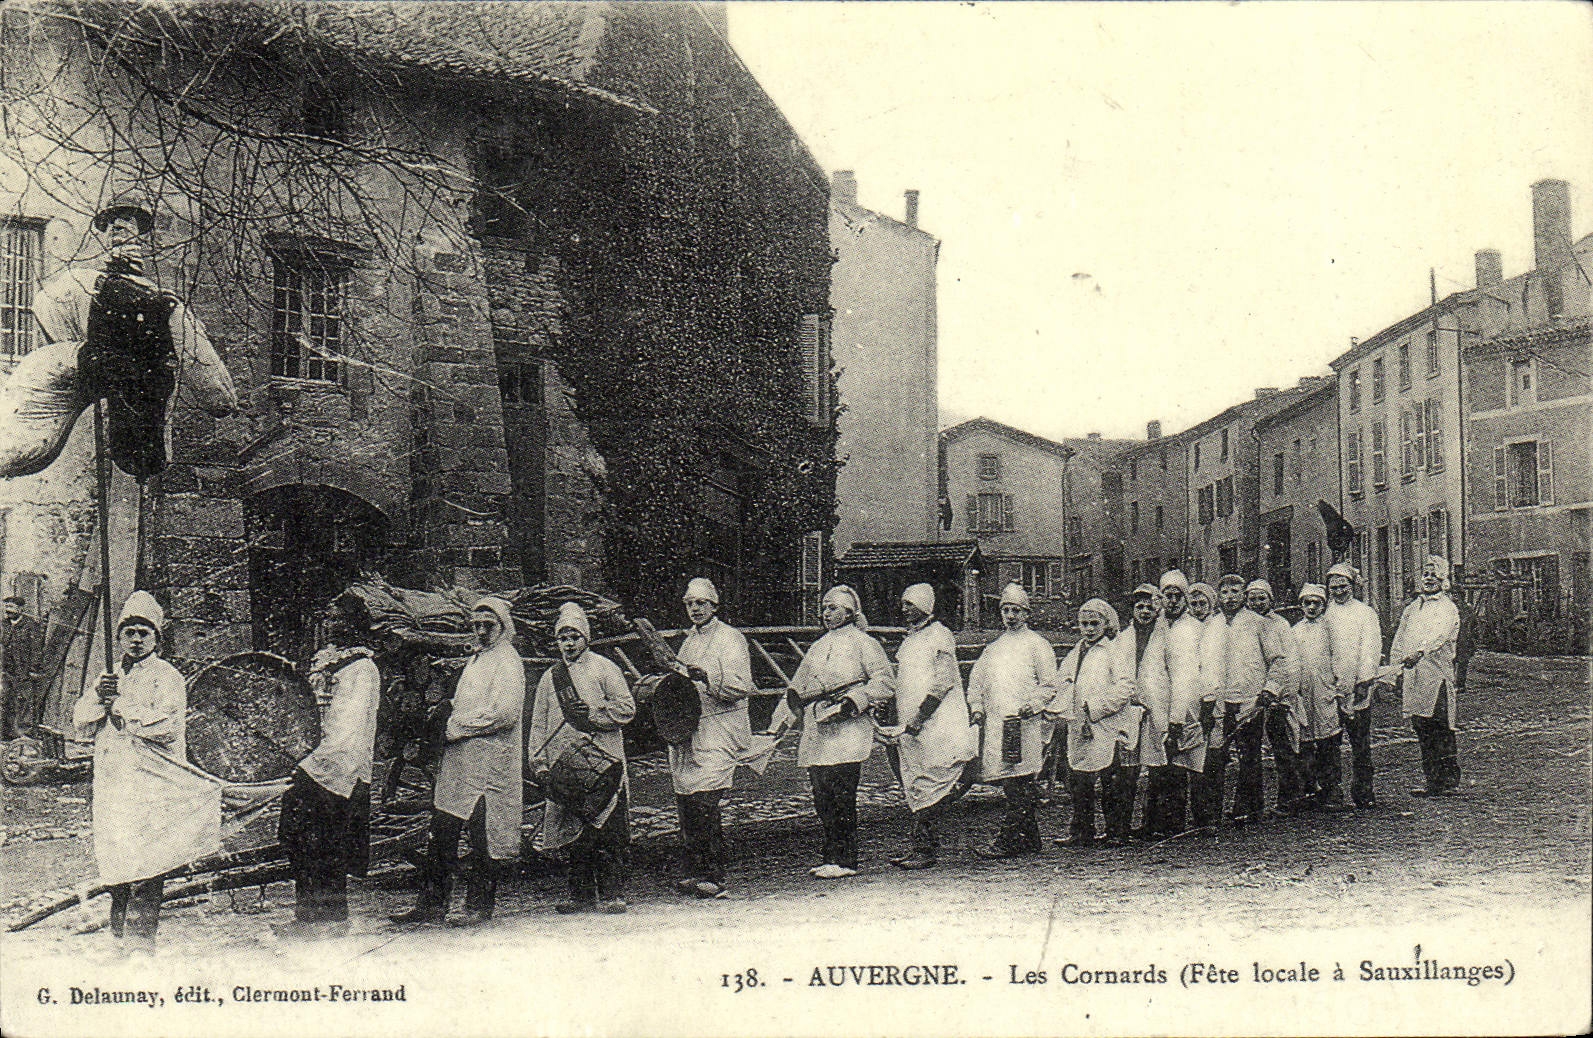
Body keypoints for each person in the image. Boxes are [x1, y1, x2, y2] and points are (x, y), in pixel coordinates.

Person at [4, 192, 236, 479]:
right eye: (115, 222)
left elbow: (217, 396)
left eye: (128, 222)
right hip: (89, 358)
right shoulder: (77, 284)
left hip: (125, 371)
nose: (120, 229)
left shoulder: (155, 298)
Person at [391, 597, 525, 926]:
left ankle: (479, 906)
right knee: (443, 832)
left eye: (488, 625)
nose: (481, 631)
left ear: (503, 626)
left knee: (483, 836)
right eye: (476, 625)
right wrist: (445, 710)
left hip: (489, 762)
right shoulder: (478, 660)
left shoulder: (507, 661)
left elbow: (504, 713)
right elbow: (468, 700)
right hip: (460, 763)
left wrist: (454, 727)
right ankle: (432, 904)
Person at [71, 591, 187, 955]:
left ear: (156, 639)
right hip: (113, 782)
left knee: (148, 857)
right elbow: (81, 724)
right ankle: (120, 933)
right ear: (119, 637)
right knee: (117, 854)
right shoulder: (108, 674)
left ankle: (141, 939)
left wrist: (119, 705)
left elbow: (166, 726)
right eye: (129, 633)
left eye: (144, 633)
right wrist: (97, 698)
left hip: (150, 784)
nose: (136, 640)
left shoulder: (167, 677)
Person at [276, 601, 381, 939]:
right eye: (329, 617)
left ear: (355, 624)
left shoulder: (362, 669)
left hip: (339, 768)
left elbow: (348, 727)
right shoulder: (326, 661)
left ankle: (332, 919)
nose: (332, 623)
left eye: (340, 617)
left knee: (329, 845)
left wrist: (313, 761)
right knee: (300, 840)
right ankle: (306, 915)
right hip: (309, 763)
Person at [528, 602, 635, 912]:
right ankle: (581, 896)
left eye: (574, 636)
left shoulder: (605, 668)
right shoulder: (551, 677)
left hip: (602, 760)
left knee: (608, 827)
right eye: (563, 638)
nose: (569, 643)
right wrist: (540, 763)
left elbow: (627, 708)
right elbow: (539, 722)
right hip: (566, 764)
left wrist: (594, 714)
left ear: (586, 638)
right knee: (575, 831)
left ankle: (613, 893)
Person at [788, 585, 894, 878]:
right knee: (822, 797)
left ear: (849, 611)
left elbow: (885, 682)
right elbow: (797, 689)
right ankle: (830, 856)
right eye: (824, 608)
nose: (826, 613)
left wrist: (854, 700)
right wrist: (777, 727)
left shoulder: (865, 643)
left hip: (848, 730)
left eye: (832, 607)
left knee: (842, 794)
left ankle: (845, 860)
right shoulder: (818, 647)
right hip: (818, 731)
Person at [670, 577, 754, 899]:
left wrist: (707, 676)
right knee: (687, 802)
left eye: (701, 603)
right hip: (691, 726)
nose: (695, 609)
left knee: (706, 802)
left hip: (720, 727)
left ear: (714, 606)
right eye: (690, 604)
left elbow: (740, 685)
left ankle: (715, 876)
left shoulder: (731, 639)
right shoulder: (689, 641)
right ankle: (693, 871)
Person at [884, 583, 976, 870]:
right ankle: (920, 845)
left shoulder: (940, 635)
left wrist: (920, 717)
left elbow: (944, 681)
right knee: (916, 779)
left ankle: (925, 848)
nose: (905, 608)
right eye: (903, 603)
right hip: (912, 726)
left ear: (925, 605)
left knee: (934, 780)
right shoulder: (910, 639)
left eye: (910, 603)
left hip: (939, 724)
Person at [967, 583, 1057, 858]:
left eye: (1016, 610)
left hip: (1024, 722)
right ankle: (1029, 839)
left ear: (1026, 613)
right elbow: (977, 682)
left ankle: (1009, 840)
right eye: (1006, 610)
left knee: (1021, 780)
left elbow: (1050, 685)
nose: (1010, 615)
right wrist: (977, 708)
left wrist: (1035, 704)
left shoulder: (1037, 645)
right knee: (1012, 783)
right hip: (998, 724)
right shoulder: (993, 648)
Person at [1197, 574, 1287, 827]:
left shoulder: (1259, 624)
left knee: (1250, 755)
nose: (1229, 598)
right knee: (1215, 756)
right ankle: (1212, 813)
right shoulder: (1211, 626)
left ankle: (1249, 808)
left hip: (1249, 699)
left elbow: (1278, 660)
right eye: (1224, 593)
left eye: (1235, 592)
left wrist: (1269, 690)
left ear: (1243, 594)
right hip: (1218, 701)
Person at [1050, 599, 1139, 848]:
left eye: (1094, 623)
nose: (1089, 629)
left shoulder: (1114, 651)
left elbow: (1125, 687)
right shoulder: (1076, 651)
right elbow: (1062, 680)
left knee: (1111, 779)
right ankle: (1081, 831)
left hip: (1106, 724)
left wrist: (1097, 707)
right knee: (1079, 780)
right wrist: (1063, 699)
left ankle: (1116, 832)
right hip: (1079, 723)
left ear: (1105, 624)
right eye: (1084, 624)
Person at [1377, 557, 1463, 797]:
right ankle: (1432, 780)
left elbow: (1440, 635)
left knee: (1440, 726)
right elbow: (1400, 640)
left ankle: (1448, 780)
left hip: (1437, 676)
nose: (1429, 579)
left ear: (1444, 580)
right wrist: (1391, 673)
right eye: (1425, 574)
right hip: (1414, 677)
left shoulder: (1447, 607)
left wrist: (1421, 651)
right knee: (1421, 726)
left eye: (1434, 575)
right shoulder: (1412, 609)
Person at [1153, 571, 1209, 836]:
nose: (1173, 601)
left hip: (1186, 705)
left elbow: (1187, 676)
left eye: (1178, 596)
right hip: (1159, 706)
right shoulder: (1157, 627)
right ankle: (1162, 821)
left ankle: (1186, 822)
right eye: (1168, 596)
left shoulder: (1193, 629)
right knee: (1161, 766)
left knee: (1187, 762)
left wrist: (1176, 719)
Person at [1246, 580, 1309, 817]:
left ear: (1270, 601)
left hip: (1276, 697)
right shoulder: (1246, 624)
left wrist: (1280, 694)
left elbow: (1289, 662)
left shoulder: (1279, 625)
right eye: (1252, 599)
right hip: (1251, 696)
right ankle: (1254, 804)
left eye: (1262, 598)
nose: (1257, 603)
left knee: (1283, 747)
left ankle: (1291, 798)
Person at [1324, 562, 1383, 809]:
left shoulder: (1365, 613)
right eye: (1334, 587)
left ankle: (1363, 791)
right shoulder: (1324, 613)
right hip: (1329, 687)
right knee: (1329, 741)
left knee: (1359, 741)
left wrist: (1365, 681)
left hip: (1357, 684)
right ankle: (1331, 792)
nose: (1339, 591)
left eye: (1343, 586)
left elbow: (1371, 649)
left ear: (1352, 586)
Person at [1293, 584, 1349, 812]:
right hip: (1303, 693)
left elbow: (1340, 660)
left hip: (1326, 691)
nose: (1312, 607)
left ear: (1324, 606)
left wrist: (1340, 688)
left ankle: (1332, 790)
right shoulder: (1295, 631)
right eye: (1308, 603)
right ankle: (1309, 789)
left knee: (1328, 742)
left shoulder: (1331, 629)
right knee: (1305, 743)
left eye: (1317, 603)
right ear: (1302, 606)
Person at [1121, 584, 1170, 840]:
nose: (1145, 611)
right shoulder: (1123, 638)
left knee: (1156, 766)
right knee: (1128, 769)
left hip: (1157, 707)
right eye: (1139, 607)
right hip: (1129, 707)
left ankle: (1154, 824)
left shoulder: (1165, 638)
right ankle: (1123, 825)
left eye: (1150, 607)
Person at [2, 595, 46, 740]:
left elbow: (36, 649)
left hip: (24, 671)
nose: (8, 611)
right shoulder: (3, 624)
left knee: (24, 701)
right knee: (6, 699)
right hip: (6, 671)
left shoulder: (30, 626)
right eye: (6, 607)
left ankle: (24, 734)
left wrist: (33, 669)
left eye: (12, 607)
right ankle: (7, 733)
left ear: (21, 609)